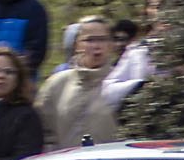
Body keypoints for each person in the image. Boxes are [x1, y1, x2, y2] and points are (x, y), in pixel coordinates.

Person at [36, 15, 140, 149]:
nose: (97, 46)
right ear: (77, 45)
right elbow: (43, 131)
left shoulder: (123, 85)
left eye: (102, 40)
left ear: (110, 45)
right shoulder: (56, 84)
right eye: (90, 40)